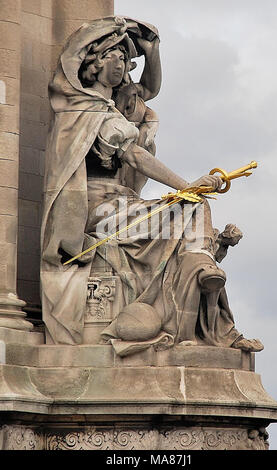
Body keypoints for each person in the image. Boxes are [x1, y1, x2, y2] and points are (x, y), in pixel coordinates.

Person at [41, 16, 263, 354]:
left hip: (122, 205)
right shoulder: (86, 110)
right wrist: (188, 185)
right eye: (113, 56)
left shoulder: (115, 107)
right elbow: (133, 157)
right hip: (98, 211)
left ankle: (215, 310)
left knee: (191, 225)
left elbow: (148, 90)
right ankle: (205, 276)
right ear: (93, 64)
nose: (121, 64)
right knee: (192, 204)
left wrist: (153, 52)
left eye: (124, 58)